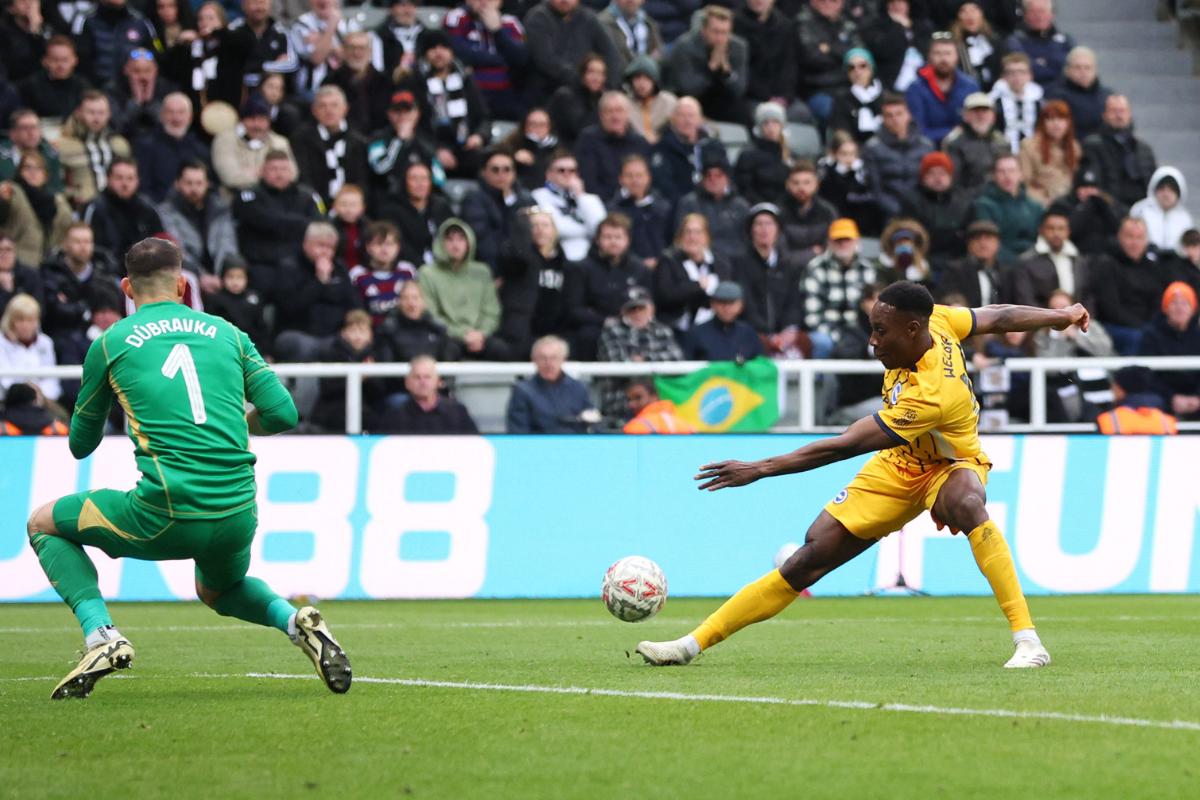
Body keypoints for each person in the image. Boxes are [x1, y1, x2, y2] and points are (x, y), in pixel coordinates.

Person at [635, 280, 1086, 670]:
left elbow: (845, 445)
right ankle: (691, 645)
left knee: (968, 503)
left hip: (950, 465)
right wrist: (1060, 314)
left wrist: (760, 468)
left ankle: (1027, 640)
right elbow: (998, 315)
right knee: (809, 558)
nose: (872, 341)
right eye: (872, 328)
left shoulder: (931, 394)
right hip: (898, 465)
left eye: (880, 331)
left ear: (913, 330)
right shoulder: (939, 320)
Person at [25, 237, 351, 700]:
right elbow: (283, 414)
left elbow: (81, 445)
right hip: (237, 512)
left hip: (166, 512)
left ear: (126, 288)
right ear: (182, 285)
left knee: (43, 523)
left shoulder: (112, 343)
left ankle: (102, 636)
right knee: (221, 589)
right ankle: (295, 622)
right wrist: (241, 422)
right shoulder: (228, 333)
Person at [397, 28, 491, 179]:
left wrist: (479, 136)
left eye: (444, 48)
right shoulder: (414, 81)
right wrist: (435, 150)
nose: (438, 53)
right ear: (425, 53)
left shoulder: (466, 79)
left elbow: (484, 118)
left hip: (466, 149)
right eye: (433, 48)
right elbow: (412, 125)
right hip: (429, 152)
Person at [232, 149, 324, 295]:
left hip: (301, 263)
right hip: (261, 264)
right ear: (262, 171)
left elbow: (320, 225)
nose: (279, 174)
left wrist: (285, 223)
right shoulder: (248, 195)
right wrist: (301, 223)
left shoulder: (308, 195)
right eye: (273, 169)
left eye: (284, 169)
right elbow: (264, 220)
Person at [417, 218, 508, 360]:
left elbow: (492, 311)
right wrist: (462, 334)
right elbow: (431, 314)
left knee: (503, 350)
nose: (455, 245)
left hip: (480, 336)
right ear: (441, 243)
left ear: (469, 242)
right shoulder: (427, 273)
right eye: (450, 240)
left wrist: (481, 333)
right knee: (447, 351)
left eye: (461, 239)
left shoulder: (482, 271)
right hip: (447, 336)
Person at [568, 213, 651, 359]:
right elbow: (574, 309)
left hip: (634, 326)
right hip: (596, 329)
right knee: (587, 335)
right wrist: (605, 321)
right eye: (608, 237)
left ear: (628, 240)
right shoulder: (581, 268)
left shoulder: (640, 268)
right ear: (598, 240)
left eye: (618, 237)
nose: (613, 242)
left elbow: (649, 303)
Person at [496, 207, 574, 357]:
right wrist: (521, 224)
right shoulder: (516, 258)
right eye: (534, 225)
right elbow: (517, 256)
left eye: (545, 225)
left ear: (554, 231)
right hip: (523, 330)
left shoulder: (564, 263)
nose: (540, 230)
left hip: (554, 329)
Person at [597, 286, 683, 417]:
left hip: (659, 398)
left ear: (651, 309)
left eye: (641, 308)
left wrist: (646, 360)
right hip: (622, 400)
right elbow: (617, 363)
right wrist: (653, 365)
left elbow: (676, 358)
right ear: (623, 312)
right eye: (632, 309)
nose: (637, 313)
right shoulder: (612, 332)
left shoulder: (662, 331)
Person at [274, 220, 362, 343]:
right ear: (305, 244)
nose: (325, 251)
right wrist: (320, 280)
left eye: (330, 247)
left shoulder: (339, 268)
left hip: (336, 334)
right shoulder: (290, 267)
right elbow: (289, 307)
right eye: (320, 245)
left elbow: (354, 303)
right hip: (298, 332)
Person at [156, 160, 239, 290]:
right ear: (177, 183)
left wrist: (223, 275)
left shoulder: (220, 210)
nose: (194, 189)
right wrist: (201, 276)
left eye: (199, 183)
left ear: (207, 184)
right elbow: (177, 250)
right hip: (188, 274)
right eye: (188, 183)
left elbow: (227, 244)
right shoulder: (167, 212)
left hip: (221, 278)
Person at [1094, 217, 1171, 356]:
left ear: (1146, 240)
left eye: (1140, 237)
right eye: (1130, 237)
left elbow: (1158, 304)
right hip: (1115, 327)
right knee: (1138, 338)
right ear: (1119, 237)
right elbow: (1111, 309)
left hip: (1147, 327)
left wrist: (1151, 327)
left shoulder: (1153, 268)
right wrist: (1144, 328)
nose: (1135, 243)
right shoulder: (1106, 265)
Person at [802, 217, 876, 358]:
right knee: (821, 341)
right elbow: (812, 317)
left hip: (860, 332)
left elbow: (874, 309)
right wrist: (837, 336)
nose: (843, 244)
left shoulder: (868, 270)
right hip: (827, 332)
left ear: (857, 242)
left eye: (847, 239)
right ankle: (818, 380)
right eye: (838, 240)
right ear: (829, 242)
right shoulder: (816, 268)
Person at [443, 0, 528, 122]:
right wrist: (502, 59)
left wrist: (498, 31)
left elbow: (521, 58)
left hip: (506, 94)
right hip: (470, 93)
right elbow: (460, 54)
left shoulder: (511, 22)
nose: (484, 1)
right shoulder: (456, 18)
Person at [663, 5, 749, 125]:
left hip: (723, 100)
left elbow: (739, 89)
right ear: (704, 30)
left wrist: (726, 73)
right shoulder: (685, 46)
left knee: (744, 112)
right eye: (715, 32)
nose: (720, 38)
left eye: (725, 33)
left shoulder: (738, 47)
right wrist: (711, 68)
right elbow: (688, 88)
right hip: (694, 99)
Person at [522, 0, 620, 104]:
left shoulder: (588, 18)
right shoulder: (538, 18)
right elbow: (546, 61)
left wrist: (607, 84)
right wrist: (584, 79)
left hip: (588, 92)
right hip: (548, 93)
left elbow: (611, 54)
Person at [735, 202, 803, 342]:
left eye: (769, 223)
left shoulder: (789, 265)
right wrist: (765, 333)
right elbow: (746, 303)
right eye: (758, 224)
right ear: (751, 230)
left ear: (778, 230)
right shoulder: (739, 263)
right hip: (752, 334)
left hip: (784, 335)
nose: (764, 229)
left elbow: (794, 302)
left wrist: (788, 329)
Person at [290, 85, 370, 204]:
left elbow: (363, 181)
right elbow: (303, 179)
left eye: (334, 105)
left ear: (345, 109)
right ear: (314, 111)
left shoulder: (359, 142)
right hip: (314, 206)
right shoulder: (301, 139)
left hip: (351, 208)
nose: (329, 111)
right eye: (322, 106)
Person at [654, 213, 733, 332]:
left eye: (698, 232)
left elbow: (727, 294)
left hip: (714, 327)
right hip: (677, 327)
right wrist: (697, 286)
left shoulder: (720, 262)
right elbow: (666, 296)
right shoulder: (668, 260)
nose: (692, 237)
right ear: (680, 236)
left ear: (707, 237)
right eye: (688, 232)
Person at [460, 149, 536, 272]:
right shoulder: (473, 200)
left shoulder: (526, 200)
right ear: (484, 172)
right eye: (495, 170)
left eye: (507, 169)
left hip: (524, 270)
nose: (501, 174)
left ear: (514, 173)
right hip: (490, 270)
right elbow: (481, 241)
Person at [863, 93, 934, 219]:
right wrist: (898, 212)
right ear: (883, 119)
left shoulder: (926, 146)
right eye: (889, 116)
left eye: (899, 114)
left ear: (908, 115)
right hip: (887, 212)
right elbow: (875, 189)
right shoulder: (872, 148)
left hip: (922, 209)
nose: (895, 120)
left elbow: (931, 183)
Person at [505, 334, 597, 433]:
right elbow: (518, 432)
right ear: (534, 360)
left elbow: (592, 422)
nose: (548, 363)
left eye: (554, 358)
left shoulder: (579, 388)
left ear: (563, 359)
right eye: (543, 358)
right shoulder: (522, 391)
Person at [672, 149, 751, 263]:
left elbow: (748, 240)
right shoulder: (689, 204)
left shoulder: (741, 206)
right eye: (708, 175)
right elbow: (680, 239)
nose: (713, 180)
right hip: (700, 261)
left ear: (727, 178)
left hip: (737, 263)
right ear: (702, 179)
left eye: (718, 175)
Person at [56, 91, 132, 207]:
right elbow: (53, 182)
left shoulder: (120, 144)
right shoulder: (61, 146)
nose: (96, 118)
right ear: (78, 113)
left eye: (101, 113)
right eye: (91, 112)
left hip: (119, 207)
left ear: (109, 114)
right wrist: (72, 195)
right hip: (80, 209)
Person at [1081, 95, 1157, 210]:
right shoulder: (1093, 146)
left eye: (1122, 111)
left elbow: (1154, 184)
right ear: (1104, 115)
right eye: (1113, 111)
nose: (1118, 115)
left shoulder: (1144, 149)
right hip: (1109, 209)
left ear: (1129, 114)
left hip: (1144, 209)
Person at [131, 93, 210, 204]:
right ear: (161, 115)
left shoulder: (201, 150)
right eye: (170, 112)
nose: (176, 118)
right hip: (158, 210)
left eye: (181, 112)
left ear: (190, 117)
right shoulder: (145, 146)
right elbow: (142, 189)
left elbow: (211, 187)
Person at [80, 158, 165, 261]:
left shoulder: (147, 209)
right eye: (119, 178)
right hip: (105, 273)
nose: (125, 184)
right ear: (108, 179)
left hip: (142, 272)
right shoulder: (95, 208)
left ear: (138, 180)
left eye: (130, 178)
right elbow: (84, 247)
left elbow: (161, 243)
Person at [796, 0, 864, 126]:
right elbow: (812, 59)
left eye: (833, 0)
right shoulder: (803, 24)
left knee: (873, 109)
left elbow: (859, 58)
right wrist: (843, 55)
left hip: (850, 88)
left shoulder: (848, 25)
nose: (827, 3)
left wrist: (830, 49)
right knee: (839, 113)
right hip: (817, 89)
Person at [905, 31, 980, 146]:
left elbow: (976, 125)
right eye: (938, 53)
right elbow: (917, 131)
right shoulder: (915, 89)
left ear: (957, 56)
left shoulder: (970, 86)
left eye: (948, 53)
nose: (943, 59)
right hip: (927, 150)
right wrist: (952, 133)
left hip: (965, 149)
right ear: (929, 56)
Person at [1139, 282, 1200, 421]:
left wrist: (1197, 397)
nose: (1180, 308)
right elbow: (1146, 375)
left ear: (1193, 309)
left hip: (1195, 398)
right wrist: (1171, 397)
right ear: (1165, 308)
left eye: (1185, 303)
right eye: (1174, 303)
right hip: (1162, 397)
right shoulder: (1151, 335)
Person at [1011, 208, 1093, 310]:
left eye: (1061, 228)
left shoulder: (1079, 261)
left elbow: (1087, 295)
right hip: (1040, 322)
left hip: (1077, 322)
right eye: (1051, 228)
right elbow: (1025, 300)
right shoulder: (1026, 262)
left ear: (1068, 231)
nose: (1056, 233)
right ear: (1041, 230)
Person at [532, 151, 608, 262]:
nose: (567, 174)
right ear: (548, 174)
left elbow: (601, 231)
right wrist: (586, 230)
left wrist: (580, 196)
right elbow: (557, 229)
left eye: (572, 170)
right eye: (561, 170)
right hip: (559, 258)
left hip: (592, 259)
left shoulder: (590, 199)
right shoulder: (538, 196)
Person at [574, 91, 650, 201]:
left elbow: (647, 181)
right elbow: (588, 182)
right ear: (601, 115)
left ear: (627, 113)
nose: (615, 116)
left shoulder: (640, 143)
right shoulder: (588, 139)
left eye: (619, 110)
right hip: (600, 205)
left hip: (634, 203)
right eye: (609, 111)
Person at [375, 354, 479, 434]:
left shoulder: (457, 412)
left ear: (438, 381)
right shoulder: (393, 417)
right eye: (417, 377)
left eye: (427, 377)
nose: (422, 382)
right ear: (407, 383)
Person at [212, 96, 298, 192]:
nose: (257, 125)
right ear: (242, 120)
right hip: (236, 198)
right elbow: (230, 177)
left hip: (274, 196)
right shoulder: (225, 140)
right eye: (252, 119)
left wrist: (253, 172)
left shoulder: (280, 142)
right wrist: (270, 174)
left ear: (269, 122)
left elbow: (292, 175)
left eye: (262, 119)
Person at [375, 160, 451, 268]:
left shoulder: (441, 207)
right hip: (408, 267)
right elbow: (398, 244)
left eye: (424, 179)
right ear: (405, 182)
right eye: (414, 178)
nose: (420, 184)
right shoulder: (391, 211)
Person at [902, 150, 971, 267]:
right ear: (923, 177)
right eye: (932, 173)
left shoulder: (964, 201)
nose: (938, 179)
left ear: (950, 177)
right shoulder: (911, 201)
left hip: (959, 263)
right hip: (923, 262)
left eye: (943, 173)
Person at [649, 97, 721, 205]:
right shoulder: (661, 148)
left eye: (691, 116)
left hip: (711, 205)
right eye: (682, 115)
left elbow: (725, 179)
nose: (687, 121)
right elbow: (663, 186)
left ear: (700, 119)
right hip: (677, 206)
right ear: (673, 119)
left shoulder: (713, 146)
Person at [972, 154, 1043, 263]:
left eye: (1012, 171)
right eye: (1001, 171)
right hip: (1002, 265)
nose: (1007, 176)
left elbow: (1042, 240)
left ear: (1021, 174)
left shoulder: (1035, 207)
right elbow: (988, 242)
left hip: (1033, 263)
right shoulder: (984, 205)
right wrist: (1016, 262)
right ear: (994, 176)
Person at [734, 0, 798, 118]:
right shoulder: (735, 23)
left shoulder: (784, 25)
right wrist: (767, 97)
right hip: (750, 96)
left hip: (780, 95)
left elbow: (789, 65)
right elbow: (741, 69)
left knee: (802, 114)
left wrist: (784, 97)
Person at [73, 0, 157, 87]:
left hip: (131, 92)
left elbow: (158, 49)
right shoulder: (83, 20)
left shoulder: (142, 22)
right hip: (95, 91)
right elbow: (78, 58)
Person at [349, 220, 417, 325]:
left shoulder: (408, 270)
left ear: (398, 247)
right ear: (368, 247)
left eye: (390, 244)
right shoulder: (358, 275)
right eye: (379, 244)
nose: (385, 250)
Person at [325, 30, 392, 135]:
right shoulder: (331, 81)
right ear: (343, 51)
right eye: (352, 48)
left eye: (362, 48)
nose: (357, 53)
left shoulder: (386, 82)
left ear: (369, 52)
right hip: (344, 139)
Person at [608, 154, 671, 266]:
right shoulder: (613, 210)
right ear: (621, 179)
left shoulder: (663, 206)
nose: (635, 180)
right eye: (629, 176)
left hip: (664, 267)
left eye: (639, 175)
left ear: (648, 177)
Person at [942, 92, 1009, 194]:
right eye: (975, 111)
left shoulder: (1002, 141)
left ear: (993, 116)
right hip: (970, 199)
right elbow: (954, 182)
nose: (981, 116)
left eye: (985, 111)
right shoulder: (954, 143)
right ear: (965, 116)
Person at [817, 131, 881, 236]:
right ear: (834, 154)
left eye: (852, 154)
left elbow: (873, 193)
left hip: (860, 219)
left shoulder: (864, 171)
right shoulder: (827, 172)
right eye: (844, 154)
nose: (849, 159)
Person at [1017, 99, 1079, 207]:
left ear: (1068, 123)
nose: (1056, 124)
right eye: (1050, 119)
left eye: (1061, 119)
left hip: (1070, 202)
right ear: (1043, 123)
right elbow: (1024, 182)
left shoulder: (1075, 147)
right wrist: (1042, 201)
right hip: (1041, 202)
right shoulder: (1029, 146)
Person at [0, 292, 61, 402]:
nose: (25, 325)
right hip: (9, 401)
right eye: (20, 320)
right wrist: (28, 393)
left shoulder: (45, 342)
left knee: (63, 416)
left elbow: (52, 381)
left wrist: (39, 394)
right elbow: (6, 381)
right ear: (11, 320)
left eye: (30, 320)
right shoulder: (2, 343)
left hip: (42, 400)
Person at [378, 279, 458, 361]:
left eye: (415, 298)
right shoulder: (388, 331)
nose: (411, 304)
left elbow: (449, 362)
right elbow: (386, 367)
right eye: (405, 298)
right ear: (399, 302)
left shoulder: (438, 329)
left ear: (423, 302)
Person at [861, 0, 932, 92]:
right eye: (892, 2)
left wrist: (909, 27)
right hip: (892, 81)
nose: (897, 6)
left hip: (921, 78)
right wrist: (898, 26)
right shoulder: (878, 26)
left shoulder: (922, 27)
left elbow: (926, 50)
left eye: (901, 2)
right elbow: (883, 51)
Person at [202, 260, 271, 354]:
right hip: (224, 349)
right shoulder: (215, 300)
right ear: (222, 277)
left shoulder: (254, 298)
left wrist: (266, 352)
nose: (235, 282)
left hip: (252, 350)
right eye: (230, 277)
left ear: (247, 278)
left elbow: (261, 328)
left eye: (240, 277)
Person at [684, 280, 763, 360]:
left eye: (732, 303)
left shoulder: (749, 334)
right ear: (712, 304)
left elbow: (760, 364)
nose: (727, 308)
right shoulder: (696, 333)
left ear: (741, 305)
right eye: (722, 302)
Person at [938, 219, 1011, 306]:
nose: (983, 243)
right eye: (977, 238)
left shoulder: (1006, 272)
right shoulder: (955, 270)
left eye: (988, 238)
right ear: (969, 244)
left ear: (998, 243)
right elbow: (949, 299)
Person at [1043, 46, 1109, 140]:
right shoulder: (1056, 96)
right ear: (1067, 70)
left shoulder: (1107, 96)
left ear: (1095, 70)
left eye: (1087, 68)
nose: (1083, 72)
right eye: (1077, 67)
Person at [17, 36, 90, 119]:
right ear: (44, 61)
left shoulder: (83, 87)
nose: (60, 65)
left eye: (65, 60)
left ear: (75, 60)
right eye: (55, 60)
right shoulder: (30, 87)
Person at [735, 101, 793, 207]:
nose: (771, 127)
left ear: (782, 126)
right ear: (759, 128)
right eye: (766, 123)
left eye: (775, 122)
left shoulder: (789, 156)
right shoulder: (748, 156)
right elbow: (744, 189)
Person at [778, 160, 838, 261]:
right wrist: (811, 253)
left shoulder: (828, 212)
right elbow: (779, 251)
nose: (801, 188)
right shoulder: (779, 212)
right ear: (787, 185)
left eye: (807, 182)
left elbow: (832, 245)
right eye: (796, 183)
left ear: (817, 184)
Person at [1004, 0, 1073, 86]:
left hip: (1062, 93)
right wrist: (1052, 66)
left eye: (1042, 11)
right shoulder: (1015, 41)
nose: (1039, 16)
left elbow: (1072, 70)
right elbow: (1025, 69)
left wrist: (1039, 63)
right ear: (1025, 15)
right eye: (1033, 12)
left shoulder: (1066, 41)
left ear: (1052, 14)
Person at [547, 52, 607, 149]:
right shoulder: (566, 96)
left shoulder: (598, 97)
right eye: (591, 72)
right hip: (563, 151)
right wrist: (602, 104)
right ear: (582, 74)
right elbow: (581, 130)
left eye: (600, 73)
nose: (596, 78)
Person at [1095, 366, 1177, 435]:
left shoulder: (1108, 420)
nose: (1112, 389)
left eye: (1114, 385)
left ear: (1120, 388)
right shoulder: (1167, 422)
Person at [988, 52, 1042, 155]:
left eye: (1021, 72)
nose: (1017, 77)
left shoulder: (1038, 100)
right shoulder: (993, 101)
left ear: (1030, 75)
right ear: (1003, 76)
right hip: (1000, 153)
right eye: (1011, 72)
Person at [1130, 168, 1194, 254]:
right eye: (1162, 189)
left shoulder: (1185, 219)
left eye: (1171, 190)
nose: (1166, 194)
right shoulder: (1141, 210)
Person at [827, 48, 884, 144]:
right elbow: (841, 130)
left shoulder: (885, 95)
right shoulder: (842, 98)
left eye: (862, 66)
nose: (857, 71)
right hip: (857, 149)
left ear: (871, 68)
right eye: (851, 68)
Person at [622, 56, 677, 146]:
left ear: (654, 80)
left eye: (647, 78)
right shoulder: (623, 103)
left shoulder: (669, 102)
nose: (641, 83)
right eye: (637, 78)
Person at [950, 1, 1004, 91]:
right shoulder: (953, 45)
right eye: (964, 11)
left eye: (974, 10)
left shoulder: (995, 42)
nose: (970, 16)